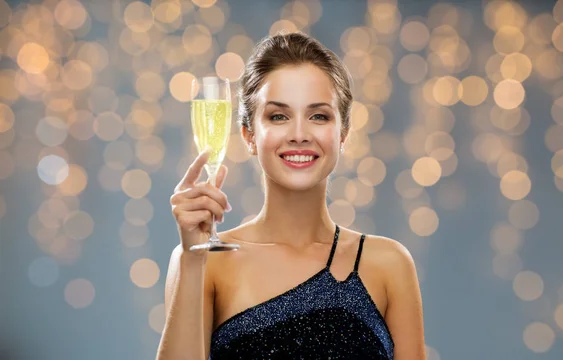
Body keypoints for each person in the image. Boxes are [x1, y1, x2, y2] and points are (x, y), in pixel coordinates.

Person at [156, 32, 425, 359]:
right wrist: (194, 258)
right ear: (249, 136)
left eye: (318, 116)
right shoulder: (204, 261)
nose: (299, 134)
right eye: (279, 116)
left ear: (342, 134)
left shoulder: (389, 264)